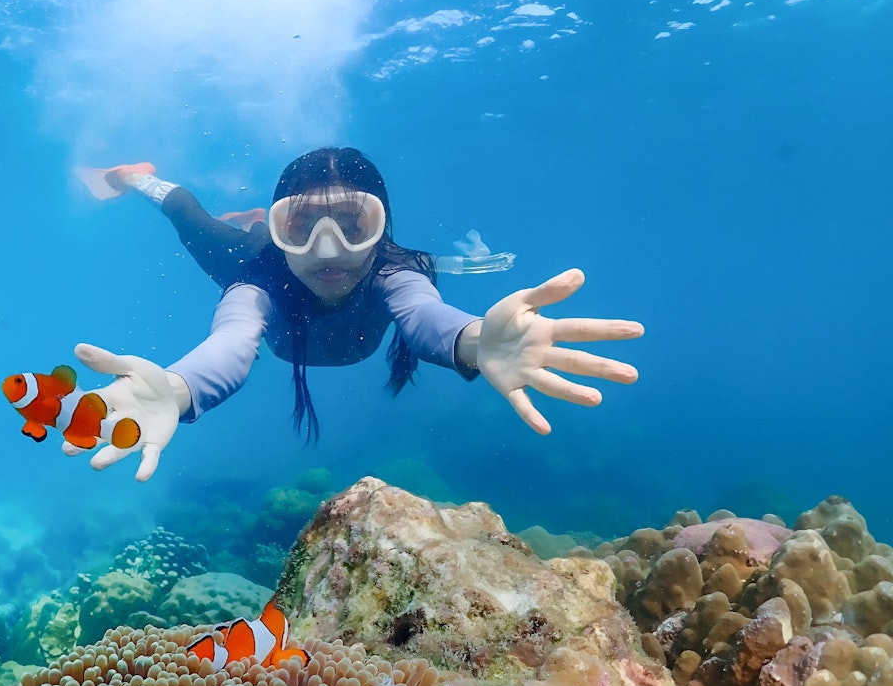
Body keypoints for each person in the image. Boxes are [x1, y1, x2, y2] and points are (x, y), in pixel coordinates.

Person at [68, 148, 643, 482]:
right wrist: (177, 387)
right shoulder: (255, 278)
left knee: (202, 219)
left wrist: (474, 340)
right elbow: (234, 339)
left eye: (352, 225)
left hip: (269, 243)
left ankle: (257, 218)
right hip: (251, 247)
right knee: (187, 212)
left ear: (381, 229)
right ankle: (136, 175)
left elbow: (427, 316)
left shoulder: (397, 272)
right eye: (301, 226)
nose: (327, 250)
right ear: (282, 231)